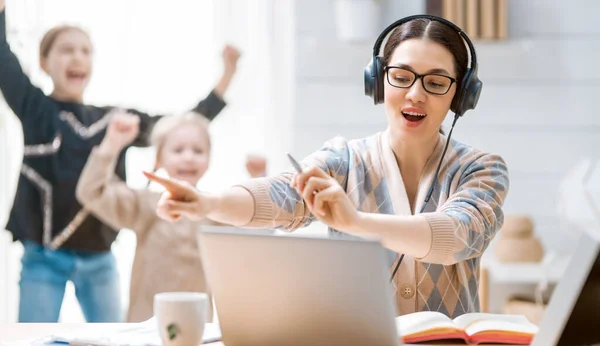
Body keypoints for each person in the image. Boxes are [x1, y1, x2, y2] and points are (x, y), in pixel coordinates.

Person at [146, 15, 509, 319]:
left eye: (435, 82)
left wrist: (358, 223)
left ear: (461, 96)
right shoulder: (344, 160)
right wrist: (209, 203)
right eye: (401, 76)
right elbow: (284, 195)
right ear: (379, 81)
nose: (415, 94)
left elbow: (458, 235)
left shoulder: (481, 170)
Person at [0, 0, 240, 322]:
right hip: (44, 256)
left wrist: (226, 77)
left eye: (86, 51)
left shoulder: (116, 120)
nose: (77, 57)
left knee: (117, 345)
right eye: (67, 50)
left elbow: (181, 127)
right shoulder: (36, 109)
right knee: (33, 342)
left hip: (99, 258)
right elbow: (4, 64)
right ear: (44, 62)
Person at [77, 112, 246, 322]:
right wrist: (112, 145)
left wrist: (257, 180)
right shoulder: (146, 204)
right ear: (159, 159)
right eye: (178, 150)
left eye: (198, 150)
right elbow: (91, 192)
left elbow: (253, 236)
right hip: (145, 326)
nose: (188, 157)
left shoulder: (214, 209)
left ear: (209, 158)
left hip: (197, 327)